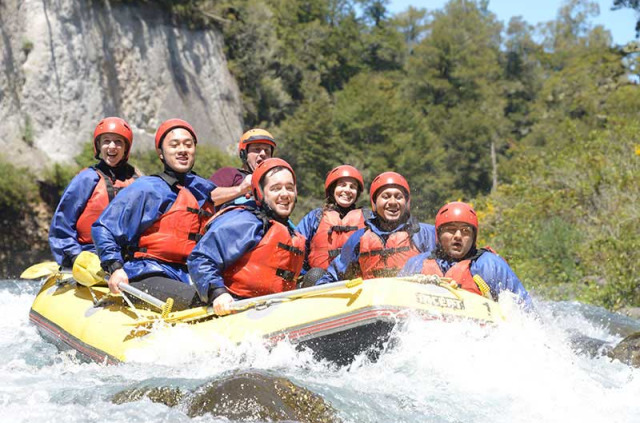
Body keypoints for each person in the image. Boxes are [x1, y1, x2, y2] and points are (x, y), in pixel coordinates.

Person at [91, 119, 216, 310]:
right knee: (201, 302)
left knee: (222, 294)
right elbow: (104, 228)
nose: (182, 150)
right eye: (174, 145)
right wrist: (115, 268)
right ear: (161, 153)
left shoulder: (203, 190)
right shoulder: (147, 189)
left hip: (189, 274)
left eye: (188, 145)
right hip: (147, 273)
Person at [188, 158, 305, 316]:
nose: (284, 194)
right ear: (260, 192)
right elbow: (201, 258)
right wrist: (217, 293)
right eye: (276, 188)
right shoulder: (245, 221)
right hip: (234, 307)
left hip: (271, 310)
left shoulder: (292, 233)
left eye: (289, 188)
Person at [399, 201, 532, 307]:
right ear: (438, 235)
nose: (458, 236)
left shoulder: (489, 265)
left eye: (465, 231)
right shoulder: (416, 264)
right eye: (450, 230)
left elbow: (524, 309)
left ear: (473, 237)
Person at [315, 172, 437, 285]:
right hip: (374, 303)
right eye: (386, 196)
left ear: (407, 202)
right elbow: (333, 275)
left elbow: (447, 264)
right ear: (374, 203)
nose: (393, 202)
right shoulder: (358, 239)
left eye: (398, 197)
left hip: (413, 301)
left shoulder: (424, 234)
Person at [49, 117, 139, 268]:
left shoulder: (138, 182)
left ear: (126, 148)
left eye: (118, 142)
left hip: (128, 259)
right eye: (106, 141)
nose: (112, 146)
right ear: (98, 146)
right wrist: (74, 257)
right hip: (90, 256)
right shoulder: (87, 178)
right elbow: (62, 224)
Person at [296, 165, 368, 275]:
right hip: (320, 283)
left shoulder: (367, 218)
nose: (347, 190)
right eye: (342, 185)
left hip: (356, 282)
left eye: (352, 187)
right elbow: (298, 248)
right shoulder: (315, 217)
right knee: (314, 275)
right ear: (332, 189)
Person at [209, 128, 276, 208]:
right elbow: (205, 198)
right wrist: (241, 189)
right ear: (244, 154)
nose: (263, 154)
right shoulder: (230, 173)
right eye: (257, 149)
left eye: (267, 151)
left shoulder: (273, 183)